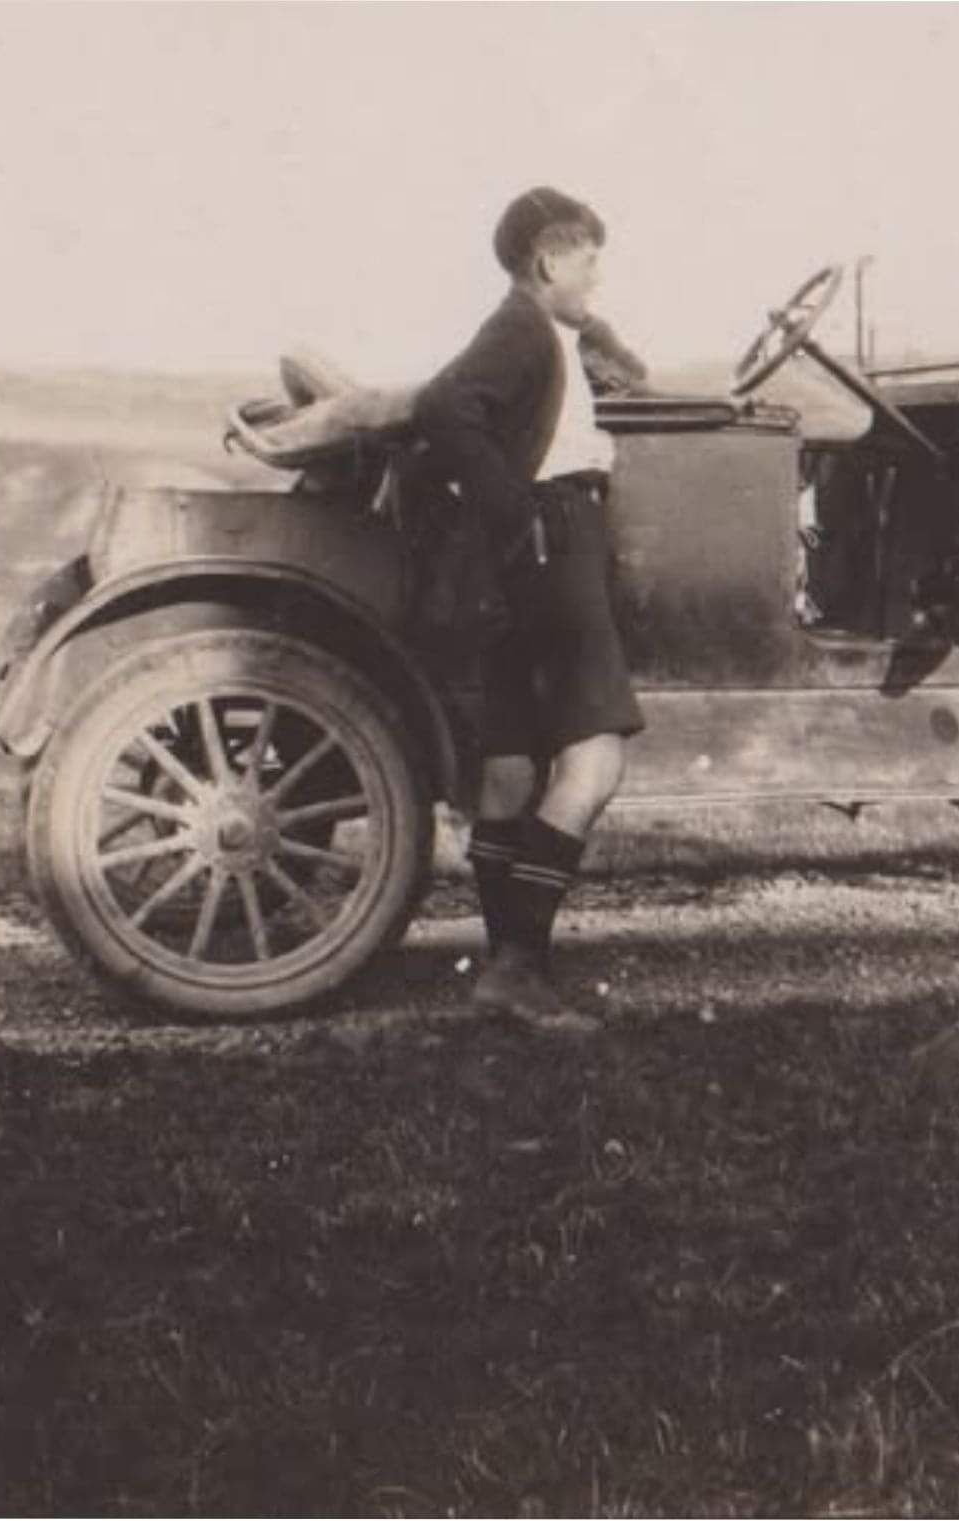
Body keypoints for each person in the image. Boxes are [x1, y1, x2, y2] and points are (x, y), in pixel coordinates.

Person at [412, 187, 648, 1036]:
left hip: (525, 558)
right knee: (593, 764)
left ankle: (506, 967)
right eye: (588, 259)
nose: (598, 274)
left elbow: (623, 370)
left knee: (511, 768)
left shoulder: (542, 328)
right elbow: (444, 408)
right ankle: (519, 968)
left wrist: (596, 331)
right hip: (553, 542)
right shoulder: (519, 329)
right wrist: (515, 509)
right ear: (549, 262)